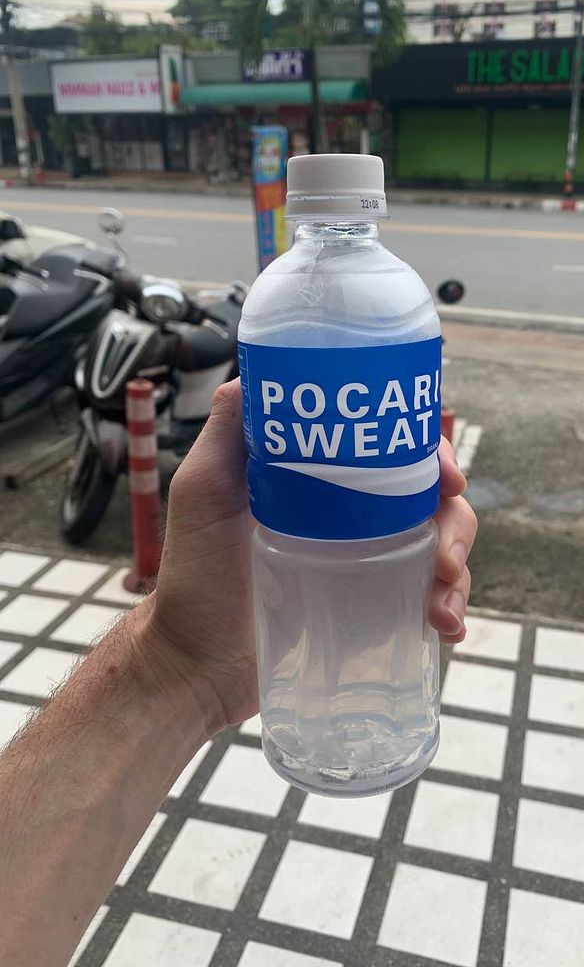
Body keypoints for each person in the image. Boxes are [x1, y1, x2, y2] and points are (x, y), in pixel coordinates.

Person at [0, 378, 478, 967]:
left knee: (410, 533)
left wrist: (175, 666)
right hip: (286, 576)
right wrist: (176, 656)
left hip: (387, 612)